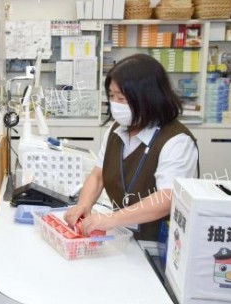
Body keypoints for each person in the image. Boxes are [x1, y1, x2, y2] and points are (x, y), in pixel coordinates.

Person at [65, 54, 198, 241]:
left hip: (160, 243)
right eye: (111, 96)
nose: (115, 105)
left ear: (148, 97)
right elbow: (97, 175)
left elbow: (167, 198)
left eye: (122, 98)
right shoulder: (116, 130)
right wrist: (83, 205)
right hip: (123, 237)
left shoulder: (177, 140)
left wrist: (111, 219)